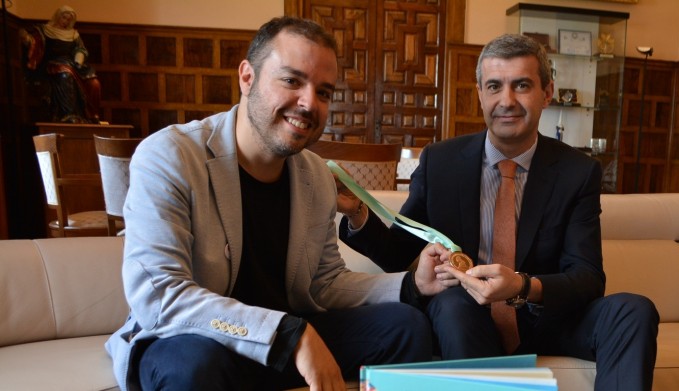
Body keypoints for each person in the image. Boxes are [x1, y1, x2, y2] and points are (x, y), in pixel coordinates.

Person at [105, 16, 449, 391]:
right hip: (199, 339)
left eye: (324, 92)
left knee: (404, 325)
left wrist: (411, 283)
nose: (308, 103)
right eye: (292, 80)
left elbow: (325, 283)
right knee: (195, 365)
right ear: (247, 77)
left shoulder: (315, 175)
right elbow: (160, 296)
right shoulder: (170, 156)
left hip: (283, 340)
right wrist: (288, 335)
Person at [339, 34, 659, 391]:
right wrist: (357, 215)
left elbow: (587, 277)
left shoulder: (578, 172)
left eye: (521, 85)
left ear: (547, 92)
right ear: (480, 93)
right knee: (453, 304)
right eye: (494, 86)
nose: (507, 101)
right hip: (467, 318)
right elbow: (399, 252)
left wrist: (524, 286)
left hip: (547, 317)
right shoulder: (440, 162)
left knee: (633, 310)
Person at [20, 5, 101, 123]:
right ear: (58, 16)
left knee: (94, 83)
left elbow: (81, 49)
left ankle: (91, 115)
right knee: (65, 75)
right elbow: (34, 43)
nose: (66, 21)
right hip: (53, 64)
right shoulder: (45, 30)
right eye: (64, 18)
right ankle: (69, 114)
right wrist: (27, 39)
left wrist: (79, 59)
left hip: (74, 64)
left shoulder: (74, 34)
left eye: (69, 19)